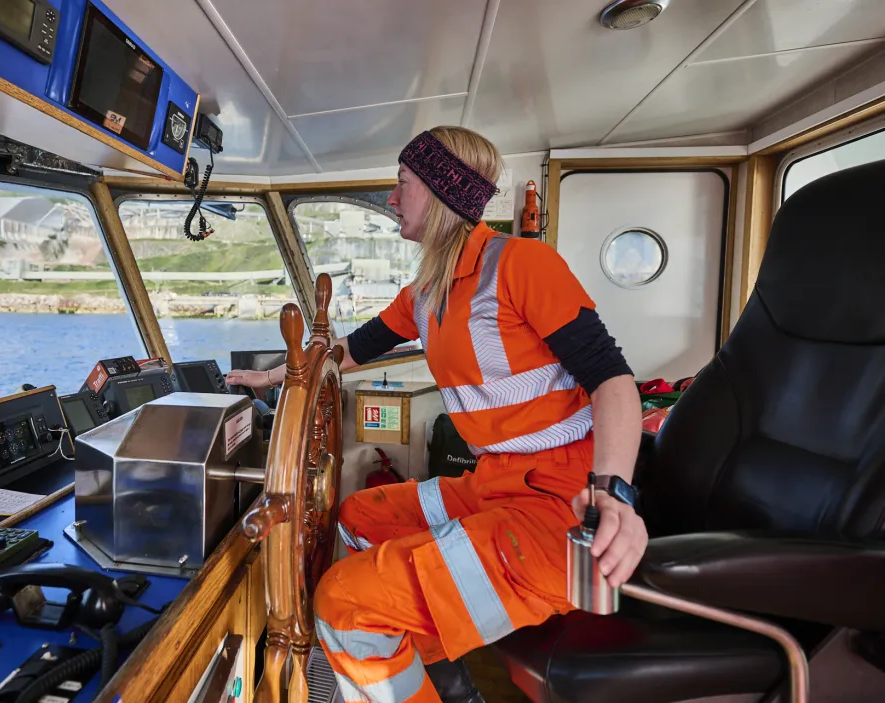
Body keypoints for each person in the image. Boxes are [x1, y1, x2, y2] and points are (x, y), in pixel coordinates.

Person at [225, 126, 646, 703]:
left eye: (402, 184)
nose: (391, 198)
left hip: (556, 505)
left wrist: (614, 495)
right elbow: (350, 350)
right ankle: (449, 687)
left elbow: (613, 381)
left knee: (344, 604)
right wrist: (272, 377)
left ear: (441, 192)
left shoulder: (523, 264)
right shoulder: (426, 292)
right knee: (353, 517)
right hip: (492, 483)